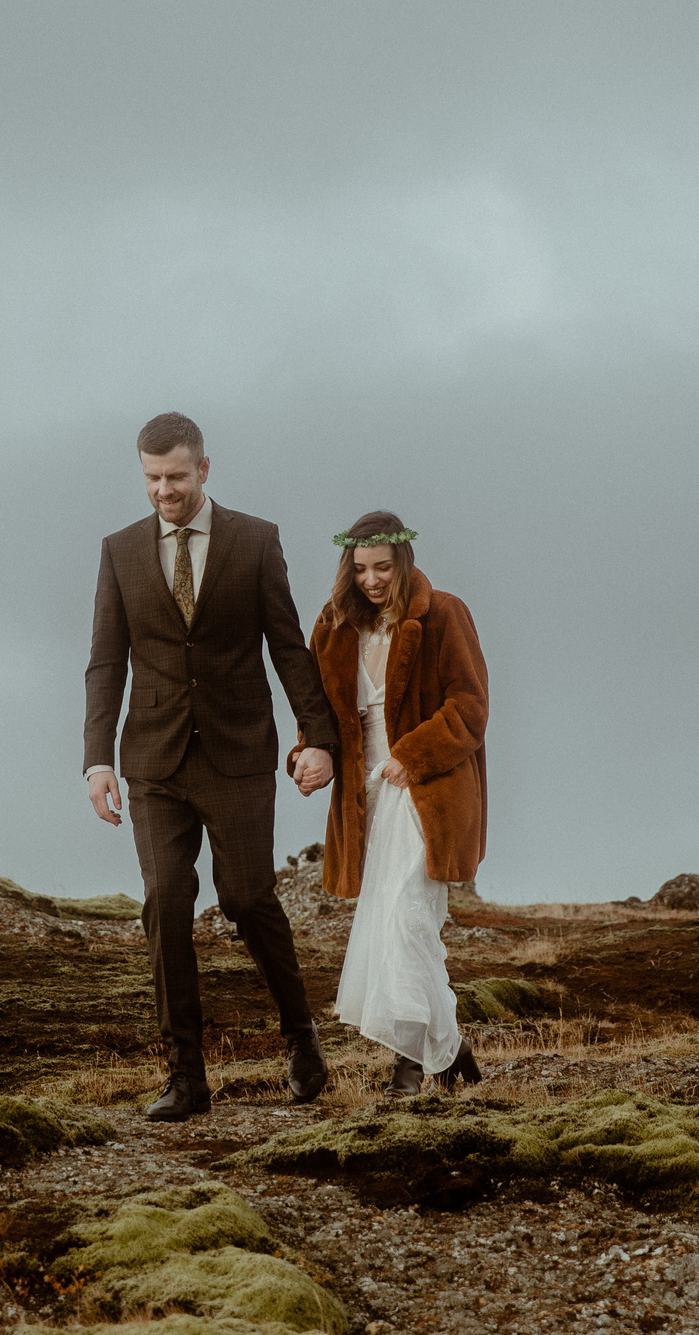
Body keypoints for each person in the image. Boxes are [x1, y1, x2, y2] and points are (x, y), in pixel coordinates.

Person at [83, 413, 342, 1122]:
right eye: (152, 479)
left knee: (246, 896)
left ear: (204, 468)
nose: (164, 491)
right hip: (154, 759)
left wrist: (318, 737)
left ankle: (301, 1036)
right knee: (165, 901)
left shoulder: (255, 541)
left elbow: (289, 648)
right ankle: (186, 1076)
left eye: (176, 476)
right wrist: (97, 760)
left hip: (237, 754)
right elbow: (106, 662)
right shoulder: (119, 551)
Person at [294, 511, 489, 1094]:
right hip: (366, 795)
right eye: (359, 569)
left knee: (409, 916)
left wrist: (413, 754)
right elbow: (319, 716)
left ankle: (410, 1061)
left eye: (382, 567)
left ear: (402, 561)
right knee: (385, 921)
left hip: (427, 788)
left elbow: (470, 708)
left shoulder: (444, 614)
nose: (372, 580)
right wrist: (308, 755)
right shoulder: (331, 628)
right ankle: (451, 1055)